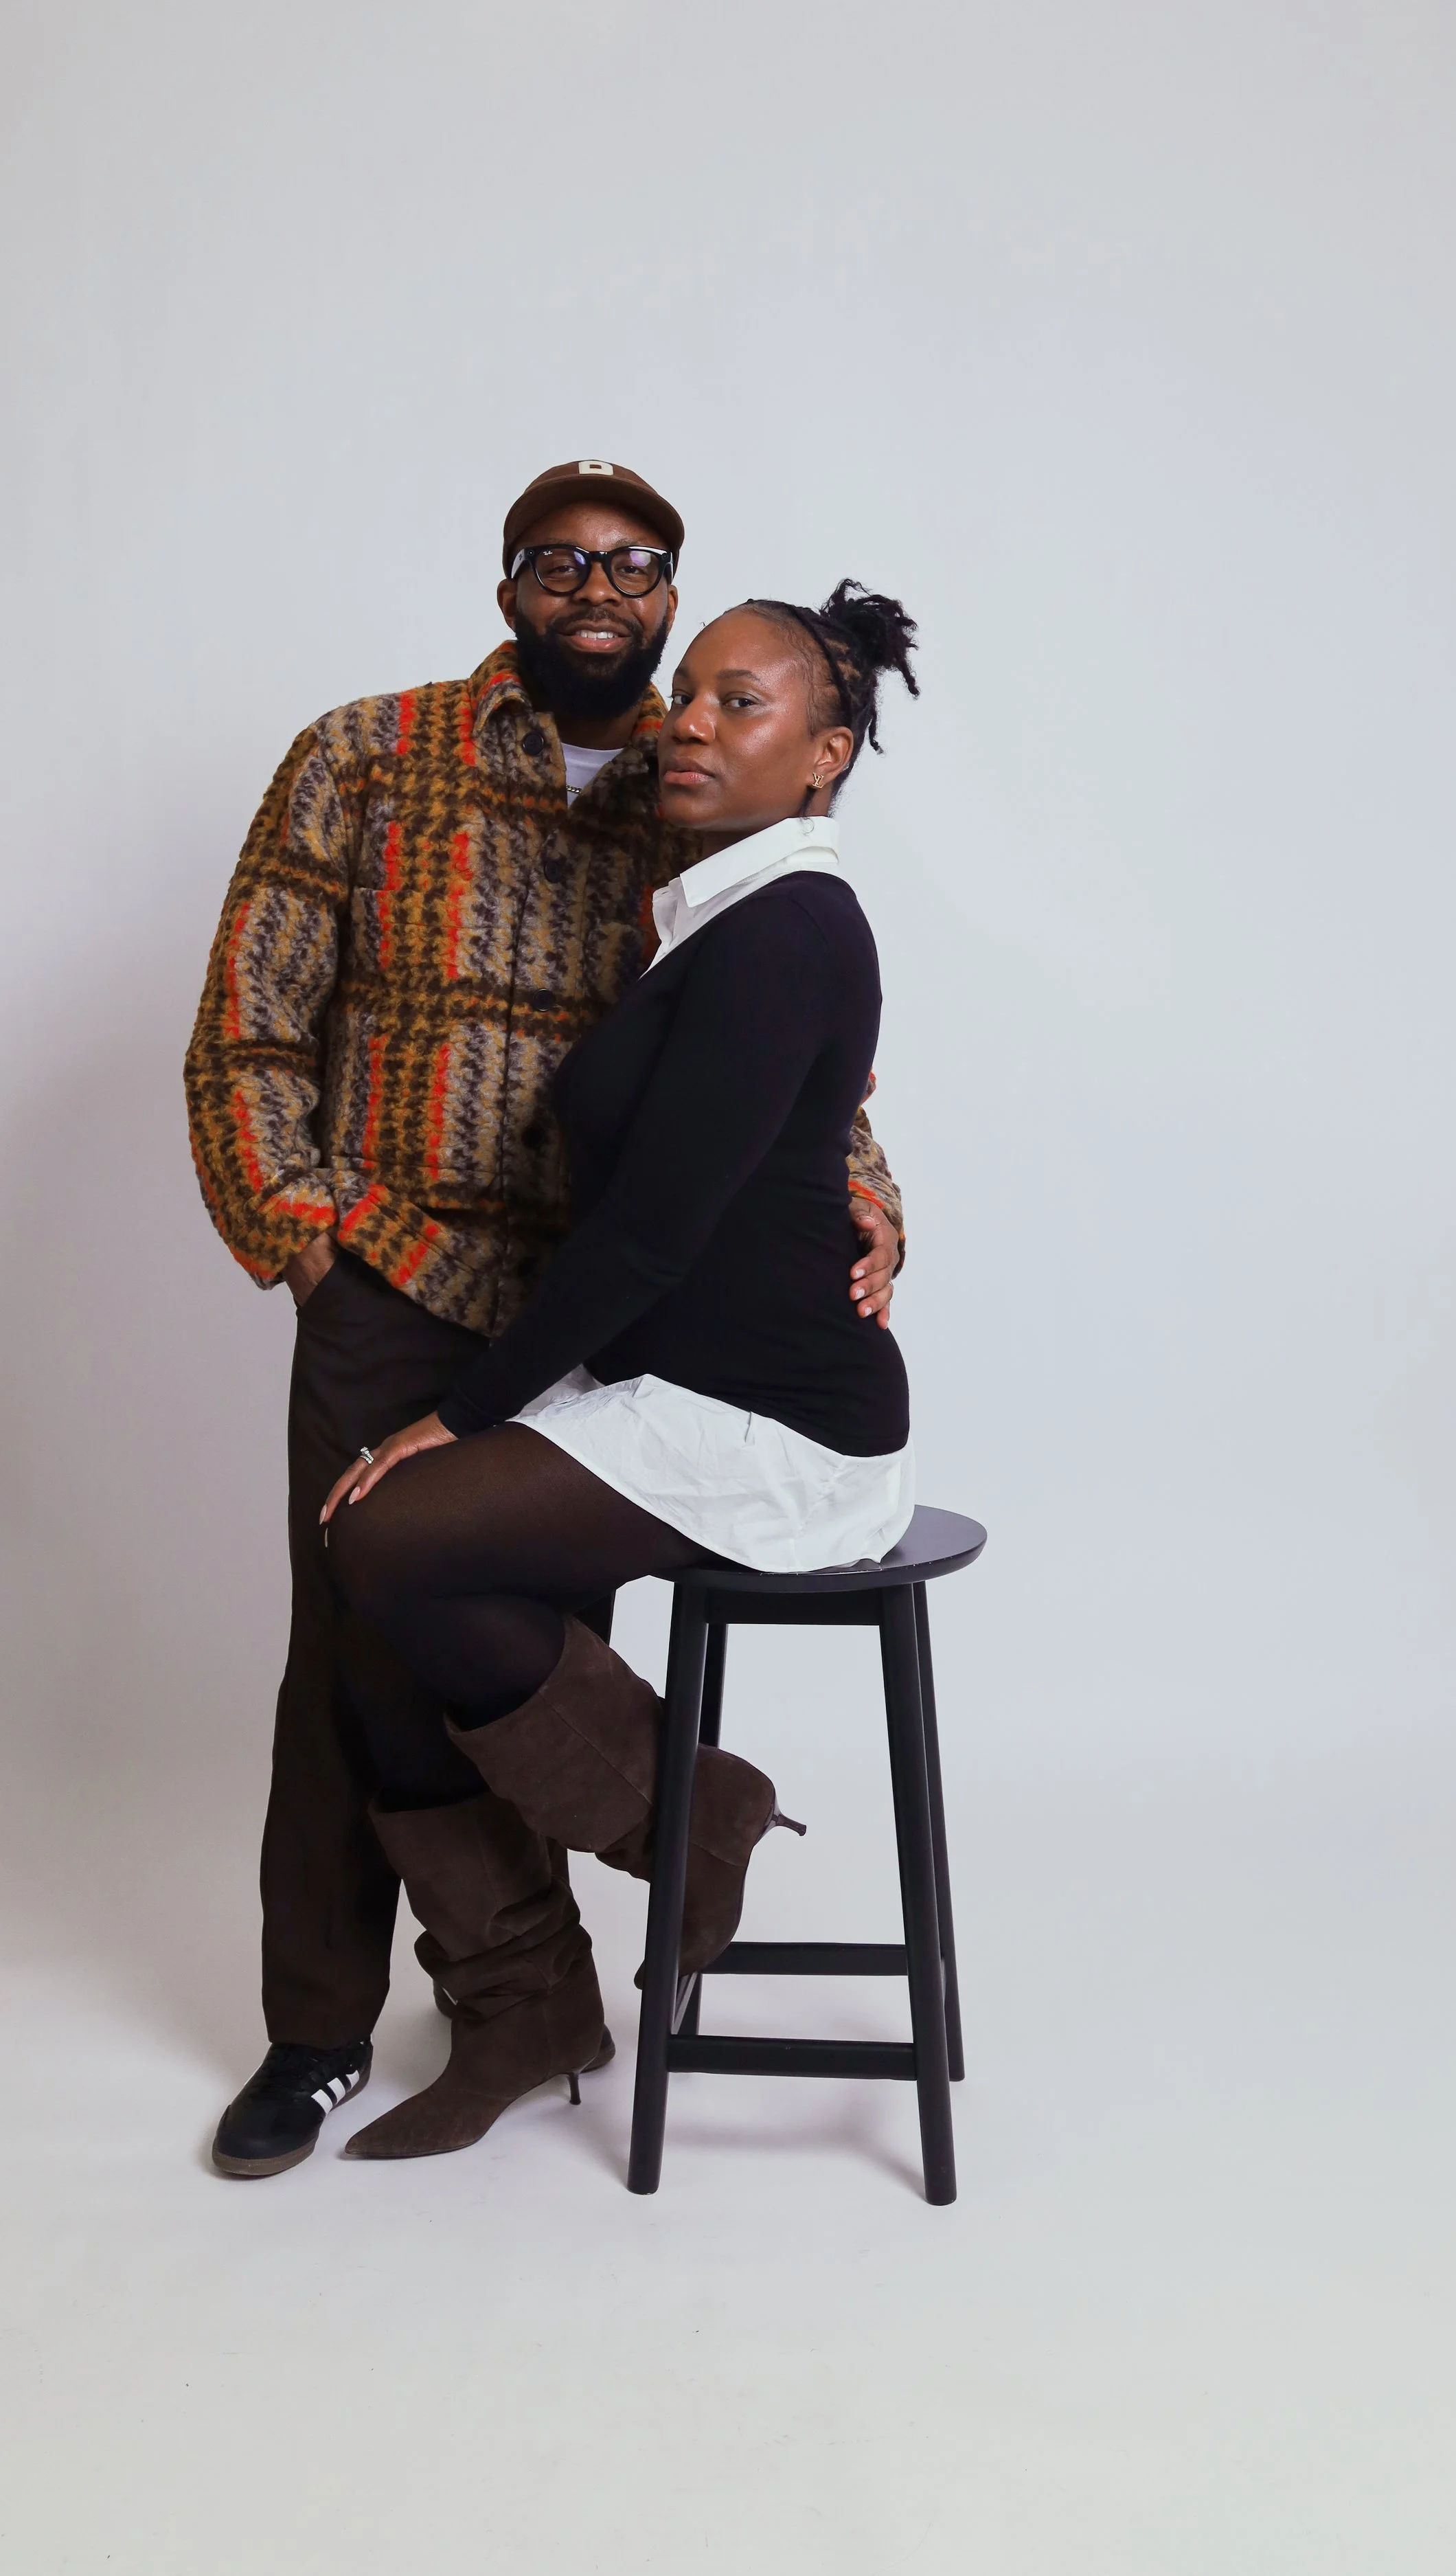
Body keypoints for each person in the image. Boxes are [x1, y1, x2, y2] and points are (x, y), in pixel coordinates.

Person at [184, 463, 904, 2178]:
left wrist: (873, 1208)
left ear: (670, 592)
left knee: (514, 1648)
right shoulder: (370, 750)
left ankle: (518, 1997)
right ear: (508, 584)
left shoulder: (690, 782)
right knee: (350, 1656)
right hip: (395, 1270)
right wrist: (299, 1233)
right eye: (559, 562)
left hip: (603, 1322)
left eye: (636, 565)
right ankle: (318, 2032)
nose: (600, 590)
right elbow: (250, 1014)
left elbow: (794, 1074)